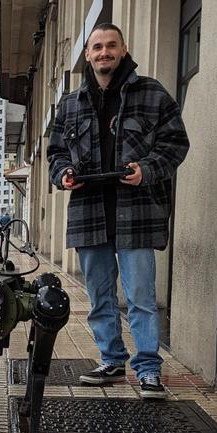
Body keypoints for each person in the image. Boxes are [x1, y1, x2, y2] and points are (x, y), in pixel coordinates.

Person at [47, 23, 189, 399]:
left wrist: (147, 170)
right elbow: (56, 153)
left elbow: (176, 144)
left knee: (141, 297)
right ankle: (111, 360)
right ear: (89, 55)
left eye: (111, 46)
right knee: (99, 295)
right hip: (89, 212)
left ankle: (148, 370)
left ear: (123, 50)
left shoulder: (153, 94)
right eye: (97, 47)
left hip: (137, 212)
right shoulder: (71, 104)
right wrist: (63, 175)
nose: (104, 52)